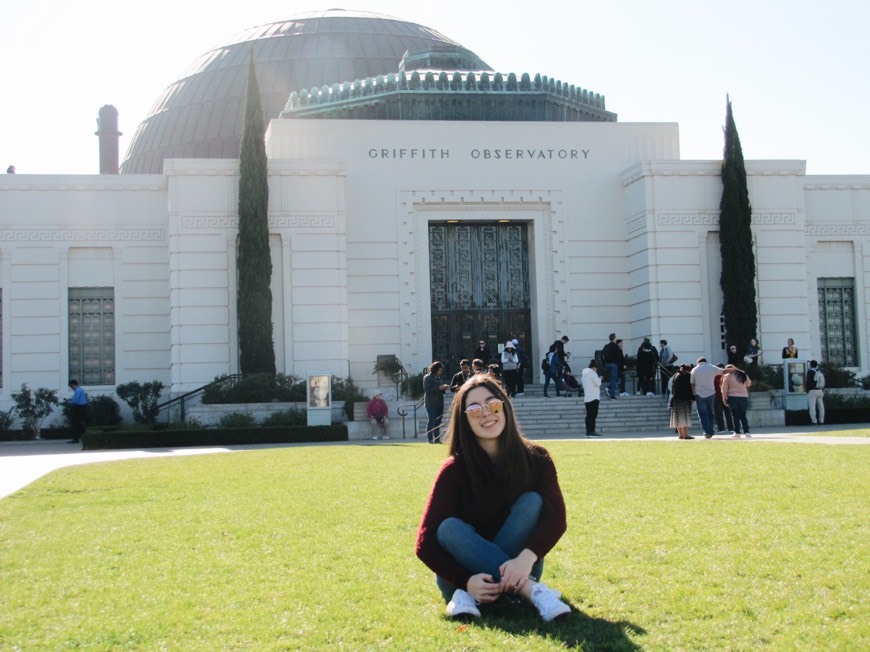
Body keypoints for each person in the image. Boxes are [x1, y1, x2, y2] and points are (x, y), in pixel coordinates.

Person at [415, 374, 571, 622]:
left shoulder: (536, 459)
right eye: (475, 410)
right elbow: (424, 541)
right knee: (449, 528)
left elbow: (556, 519)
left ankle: (480, 594)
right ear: (465, 420)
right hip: (461, 578)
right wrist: (466, 579)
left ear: (505, 406)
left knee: (533, 502)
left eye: (493, 404)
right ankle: (528, 590)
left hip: (521, 566)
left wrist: (525, 559)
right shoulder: (454, 470)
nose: (487, 413)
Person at [690, 357, 723, 438]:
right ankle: (711, 430)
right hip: (711, 393)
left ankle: (707, 431)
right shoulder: (711, 367)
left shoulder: (694, 369)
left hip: (699, 393)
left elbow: (692, 383)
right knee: (710, 412)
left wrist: (693, 393)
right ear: (705, 361)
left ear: (698, 362)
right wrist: (733, 369)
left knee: (702, 414)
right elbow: (723, 371)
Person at [721, 364, 752, 438]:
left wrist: (724, 398)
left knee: (735, 415)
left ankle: (737, 432)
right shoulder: (742, 373)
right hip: (744, 397)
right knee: (743, 415)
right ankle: (746, 432)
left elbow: (724, 389)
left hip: (732, 397)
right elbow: (749, 383)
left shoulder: (727, 376)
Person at [423, 362, 450, 443]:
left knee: (438, 421)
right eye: (439, 370)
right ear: (434, 369)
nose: (440, 372)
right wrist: (438, 388)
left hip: (439, 403)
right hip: (431, 403)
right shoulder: (428, 377)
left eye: (441, 371)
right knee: (432, 420)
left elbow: (440, 390)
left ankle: (437, 439)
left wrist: (444, 388)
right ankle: (430, 438)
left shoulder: (438, 378)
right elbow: (427, 390)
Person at [670, 365, 695, 439]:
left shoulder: (675, 375)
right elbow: (688, 388)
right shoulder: (686, 376)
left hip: (675, 399)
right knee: (685, 417)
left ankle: (680, 434)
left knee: (678, 417)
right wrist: (692, 398)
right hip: (684, 399)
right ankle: (686, 434)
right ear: (687, 370)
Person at [581, 360, 603, 436]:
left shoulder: (584, 375)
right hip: (594, 397)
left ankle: (588, 431)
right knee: (593, 415)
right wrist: (600, 378)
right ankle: (592, 430)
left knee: (588, 415)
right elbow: (598, 383)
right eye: (596, 369)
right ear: (594, 367)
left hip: (587, 397)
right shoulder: (593, 373)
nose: (596, 370)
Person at [67, 379, 90, 443]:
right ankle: (85, 436)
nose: (71, 388)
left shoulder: (77, 391)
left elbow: (75, 401)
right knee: (80, 423)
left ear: (73, 385)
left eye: (71, 386)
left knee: (74, 423)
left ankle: (75, 438)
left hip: (78, 408)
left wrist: (69, 401)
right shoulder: (81, 390)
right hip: (83, 407)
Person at [713, 367, 734, 434]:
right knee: (728, 413)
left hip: (717, 396)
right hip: (726, 396)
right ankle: (731, 427)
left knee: (719, 413)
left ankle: (721, 428)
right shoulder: (727, 377)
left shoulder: (715, 377)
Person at [601, 333, 623, 399]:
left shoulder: (606, 346)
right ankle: (612, 394)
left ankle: (608, 388)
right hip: (614, 364)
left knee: (613, 379)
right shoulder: (616, 346)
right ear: (614, 338)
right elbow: (619, 357)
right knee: (614, 379)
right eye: (615, 337)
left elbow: (602, 355)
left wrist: (604, 363)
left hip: (607, 364)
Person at [806, 360, 826, 425]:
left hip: (812, 391)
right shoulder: (819, 371)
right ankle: (821, 420)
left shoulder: (810, 372)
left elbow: (808, 382)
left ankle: (814, 420)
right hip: (820, 390)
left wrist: (807, 390)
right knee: (821, 406)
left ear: (811, 365)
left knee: (812, 406)